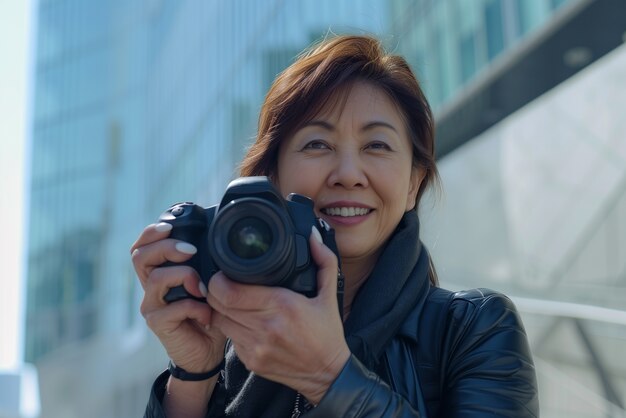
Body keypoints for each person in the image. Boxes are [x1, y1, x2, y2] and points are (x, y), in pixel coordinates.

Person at [131, 34, 539, 417]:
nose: (348, 174)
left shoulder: (473, 329)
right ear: (271, 180)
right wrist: (193, 376)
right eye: (317, 144)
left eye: (376, 145)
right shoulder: (230, 335)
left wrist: (327, 375)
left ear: (413, 184)